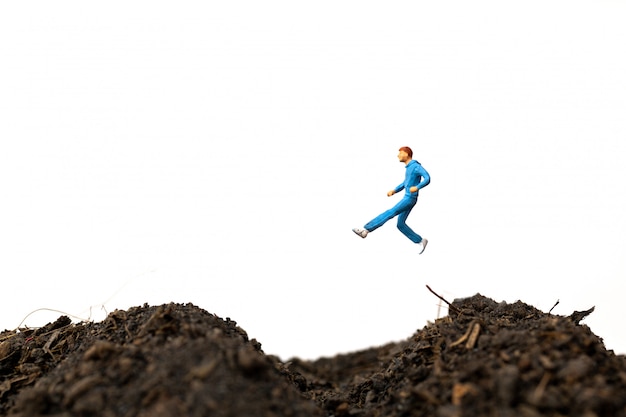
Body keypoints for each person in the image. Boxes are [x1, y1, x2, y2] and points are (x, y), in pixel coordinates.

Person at [352, 146, 431, 254]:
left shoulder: (416, 166)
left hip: (409, 198)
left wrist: (417, 187)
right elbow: (405, 183)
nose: (398, 155)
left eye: (400, 153)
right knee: (400, 224)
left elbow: (427, 178)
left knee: (391, 212)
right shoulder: (409, 168)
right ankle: (421, 240)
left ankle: (366, 230)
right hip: (407, 197)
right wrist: (394, 190)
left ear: (406, 154)